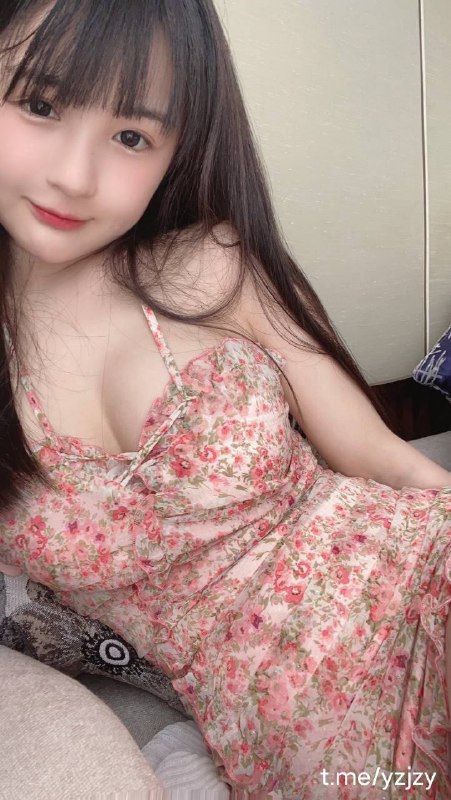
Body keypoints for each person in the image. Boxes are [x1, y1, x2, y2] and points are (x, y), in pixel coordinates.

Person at [0, 1, 450, 797]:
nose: (74, 175)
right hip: (293, 739)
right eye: (39, 103)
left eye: (131, 136)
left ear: (177, 151)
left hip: (418, 586)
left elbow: (379, 457)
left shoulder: (213, 262)